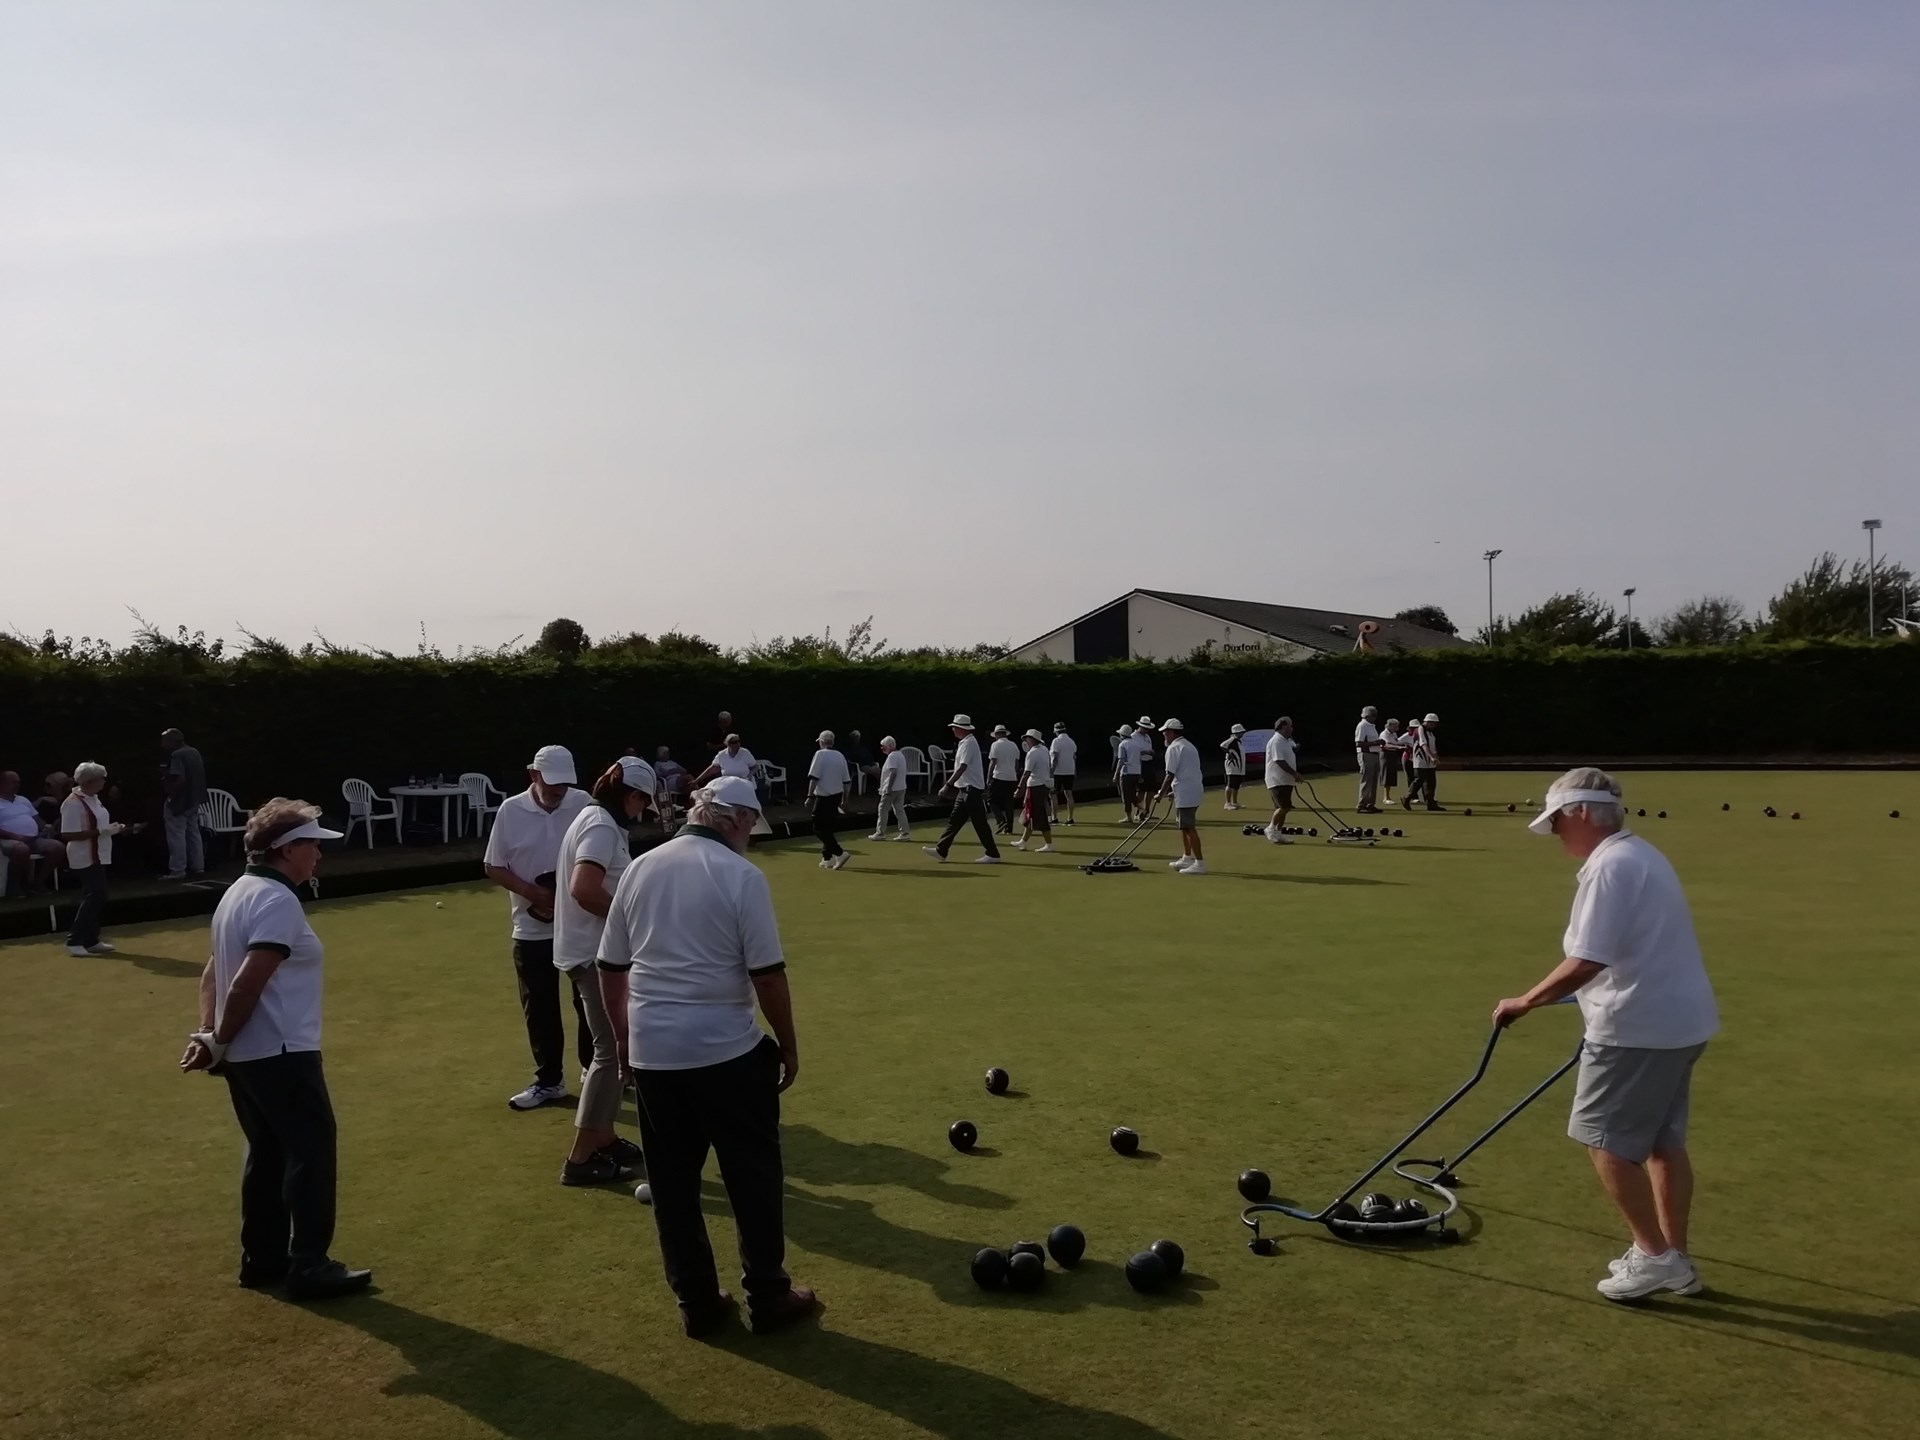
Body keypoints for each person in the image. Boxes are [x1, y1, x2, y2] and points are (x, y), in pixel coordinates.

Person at [600, 776, 817, 1337]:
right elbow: (767, 975)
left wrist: (625, 1039)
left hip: (654, 1052)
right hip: (725, 1050)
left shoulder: (642, 866)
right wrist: (788, 1043)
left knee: (673, 1185)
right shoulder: (741, 875)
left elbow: (611, 966)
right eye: (752, 827)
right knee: (753, 1176)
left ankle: (697, 1304)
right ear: (738, 821)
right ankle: (768, 1295)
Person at [1492, 768, 1718, 1302]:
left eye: (1558, 822)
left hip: (1636, 1028)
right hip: (1679, 1023)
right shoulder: (1642, 854)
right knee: (1662, 1142)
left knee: (1605, 1143)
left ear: (1582, 813)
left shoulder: (1610, 867)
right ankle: (1671, 1258)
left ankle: (1657, 1257)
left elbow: (1588, 958)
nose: (1555, 835)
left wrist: (1524, 1001)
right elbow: (1636, 948)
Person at [179, 798, 372, 1300]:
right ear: (287, 850)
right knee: (310, 1151)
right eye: (313, 846)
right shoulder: (277, 900)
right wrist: (217, 1038)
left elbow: (212, 971)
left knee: (266, 1154)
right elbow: (244, 982)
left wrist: (211, 1036)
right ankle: (310, 1265)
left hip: (248, 1055)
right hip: (282, 1050)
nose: (319, 856)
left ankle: (262, 1261)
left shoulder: (238, 891)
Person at [551, 757, 656, 1186]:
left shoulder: (595, 819)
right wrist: (630, 921)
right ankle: (579, 1158)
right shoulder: (599, 825)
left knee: (613, 1050)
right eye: (642, 802)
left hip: (592, 953)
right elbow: (584, 889)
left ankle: (605, 1137)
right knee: (610, 1052)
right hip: (594, 956)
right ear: (630, 795)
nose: (642, 810)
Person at [483, 745, 594, 1111]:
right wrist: (532, 893)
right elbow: (494, 866)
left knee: (589, 1002)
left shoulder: (584, 804)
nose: (559, 791)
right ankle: (549, 1082)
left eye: (565, 783)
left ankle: (595, 1070)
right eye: (552, 783)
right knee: (540, 1005)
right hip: (531, 926)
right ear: (534, 775)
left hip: (580, 923)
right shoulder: (511, 810)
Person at [57, 762, 139, 956]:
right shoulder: (72, 802)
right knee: (96, 894)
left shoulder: (94, 799)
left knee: (97, 895)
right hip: (83, 855)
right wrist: (101, 831)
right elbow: (67, 834)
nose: (104, 782)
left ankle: (91, 940)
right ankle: (74, 940)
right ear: (90, 781)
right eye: (102, 778)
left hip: (99, 853)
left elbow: (99, 825)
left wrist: (114, 828)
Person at [924, 715, 1000, 864]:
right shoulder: (965, 742)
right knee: (954, 822)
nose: (952, 729)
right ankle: (941, 850)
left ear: (961, 729)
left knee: (979, 823)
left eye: (954, 727)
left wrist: (947, 785)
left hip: (971, 789)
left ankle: (993, 853)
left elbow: (962, 767)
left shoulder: (968, 743)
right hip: (964, 789)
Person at [1155, 719, 1206, 874]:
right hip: (1190, 789)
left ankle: (1200, 863)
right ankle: (1187, 857)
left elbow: (1169, 774)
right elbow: (1186, 771)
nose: (1163, 734)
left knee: (1189, 827)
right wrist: (1174, 791)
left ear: (1172, 732)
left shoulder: (1174, 748)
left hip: (1187, 792)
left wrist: (1160, 793)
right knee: (1183, 826)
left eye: (1165, 731)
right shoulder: (1189, 746)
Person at [0, 770, 63, 893]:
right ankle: (15, 885)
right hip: (7, 839)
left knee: (57, 847)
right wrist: (14, 836)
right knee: (21, 850)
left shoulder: (23, 800)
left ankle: (38, 882)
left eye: (18, 782)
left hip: (33, 838)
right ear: (1, 783)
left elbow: (37, 819)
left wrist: (46, 827)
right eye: (13, 782)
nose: (17, 785)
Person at [160, 727, 210, 880]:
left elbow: (179, 777)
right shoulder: (194, 752)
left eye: (164, 741)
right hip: (195, 799)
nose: (162, 744)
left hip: (180, 801)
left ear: (172, 741)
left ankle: (178, 870)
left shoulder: (177, 755)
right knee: (193, 832)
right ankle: (198, 866)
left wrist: (171, 795)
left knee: (176, 834)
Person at [805, 730, 852, 870]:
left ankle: (840, 853)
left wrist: (809, 796)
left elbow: (814, 777)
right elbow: (847, 781)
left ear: (821, 742)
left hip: (824, 797)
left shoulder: (819, 754)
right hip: (836, 797)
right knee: (827, 828)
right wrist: (845, 800)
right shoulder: (840, 756)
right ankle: (827, 858)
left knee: (818, 828)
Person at [1011, 729, 1054, 853]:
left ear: (1033, 740)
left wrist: (1019, 788)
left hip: (1036, 786)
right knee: (1030, 813)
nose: (1026, 741)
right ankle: (1023, 842)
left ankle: (1049, 844)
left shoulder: (1033, 753)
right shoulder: (1044, 750)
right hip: (1041, 785)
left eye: (1028, 738)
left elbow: (1026, 773)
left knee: (1038, 815)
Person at [1263, 718, 1300, 844]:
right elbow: (1279, 760)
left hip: (1286, 780)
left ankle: (1278, 833)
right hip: (1277, 779)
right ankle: (1271, 828)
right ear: (1284, 726)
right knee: (1283, 806)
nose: (1292, 728)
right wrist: (1294, 773)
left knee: (1286, 807)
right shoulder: (1276, 741)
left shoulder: (1285, 741)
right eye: (1290, 726)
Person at [868, 737, 910, 842]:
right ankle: (905, 833)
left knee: (883, 809)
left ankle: (880, 833)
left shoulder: (892, 756)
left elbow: (893, 772)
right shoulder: (900, 754)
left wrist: (889, 788)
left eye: (884, 746)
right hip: (901, 787)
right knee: (899, 810)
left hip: (892, 789)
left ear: (890, 745)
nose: (882, 748)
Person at [986, 725, 1022, 835]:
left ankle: (1001, 820)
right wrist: (1014, 772)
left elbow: (993, 762)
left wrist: (989, 776)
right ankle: (1009, 828)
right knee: (1009, 803)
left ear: (997, 734)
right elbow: (1016, 762)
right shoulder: (1013, 745)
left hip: (999, 776)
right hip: (1011, 777)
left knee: (991, 800)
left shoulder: (995, 745)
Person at [1408, 712, 1443, 810]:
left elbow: (1432, 746)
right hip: (1421, 760)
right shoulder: (1420, 729)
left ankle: (1431, 804)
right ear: (1428, 722)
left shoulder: (1430, 732)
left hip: (1429, 762)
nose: (1435, 726)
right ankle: (1406, 798)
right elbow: (1423, 745)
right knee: (1419, 780)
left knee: (1431, 782)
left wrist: (1435, 756)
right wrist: (1432, 757)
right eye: (1433, 723)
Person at [1114, 723, 1147, 823]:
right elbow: (1139, 760)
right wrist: (1140, 775)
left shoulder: (1122, 744)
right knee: (1132, 794)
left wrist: (1116, 774)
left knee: (1125, 795)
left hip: (1126, 773)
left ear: (1122, 735)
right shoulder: (1137, 745)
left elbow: (1121, 760)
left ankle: (1129, 817)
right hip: (1136, 773)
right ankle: (1142, 809)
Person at [1353, 706, 1383, 814]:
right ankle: (1362, 804)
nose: (1374, 718)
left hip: (1374, 754)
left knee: (1374, 780)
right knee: (1367, 779)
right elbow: (1359, 743)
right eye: (1372, 715)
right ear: (1367, 715)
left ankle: (1370, 803)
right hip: (1366, 754)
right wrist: (1376, 743)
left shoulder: (1371, 726)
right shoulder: (1362, 726)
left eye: (1375, 715)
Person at [1048, 722, 1077, 827]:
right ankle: (1070, 818)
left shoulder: (1056, 741)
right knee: (1069, 794)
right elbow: (1074, 757)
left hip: (1057, 772)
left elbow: (1055, 758)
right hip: (1069, 771)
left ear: (1056, 731)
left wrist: (1051, 771)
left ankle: (1054, 817)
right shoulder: (1072, 742)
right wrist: (1074, 771)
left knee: (1053, 794)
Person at [1380, 718, 1406, 807]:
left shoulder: (1394, 734)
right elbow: (1386, 745)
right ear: (1390, 726)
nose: (1397, 728)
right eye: (1395, 726)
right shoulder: (1384, 734)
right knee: (1386, 775)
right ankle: (1386, 798)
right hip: (1385, 755)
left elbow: (1396, 742)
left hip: (1392, 755)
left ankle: (1388, 797)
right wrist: (1398, 747)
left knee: (1391, 775)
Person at [1220, 725, 1247, 811]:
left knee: (1236, 785)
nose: (1242, 733)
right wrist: (1229, 754)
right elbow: (1222, 745)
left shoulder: (1239, 742)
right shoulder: (1232, 740)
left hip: (1239, 767)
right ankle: (1227, 803)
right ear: (1237, 733)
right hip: (1233, 766)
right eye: (1241, 732)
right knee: (1230, 784)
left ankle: (1234, 802)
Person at [1132, 715, 1160, 800]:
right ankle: (1139, 811)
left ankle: (1146, 810)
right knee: (1141, 789)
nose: (1147, 730)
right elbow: (1132, 752)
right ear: (1140, 726)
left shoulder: (1147, 737)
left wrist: (1151, 752)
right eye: (1145, 728)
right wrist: (1146, 752)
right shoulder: (1133, 737)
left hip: (1149, 764)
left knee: (1151, 789)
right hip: (1140, 764)